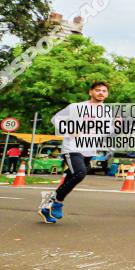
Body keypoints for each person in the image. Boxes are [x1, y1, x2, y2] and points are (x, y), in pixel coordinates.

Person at [39, 81, 111, 224]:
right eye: (98, 90)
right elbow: (56, 119)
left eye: (104, 91)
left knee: (71, 178)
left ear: (107, 94)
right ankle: (57, 203)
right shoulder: (76, 107)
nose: (101, 93)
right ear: (90, 92)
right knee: (80, 172)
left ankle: (46, 207)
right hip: (72, 148)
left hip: (89, 149)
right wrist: (69, 130)